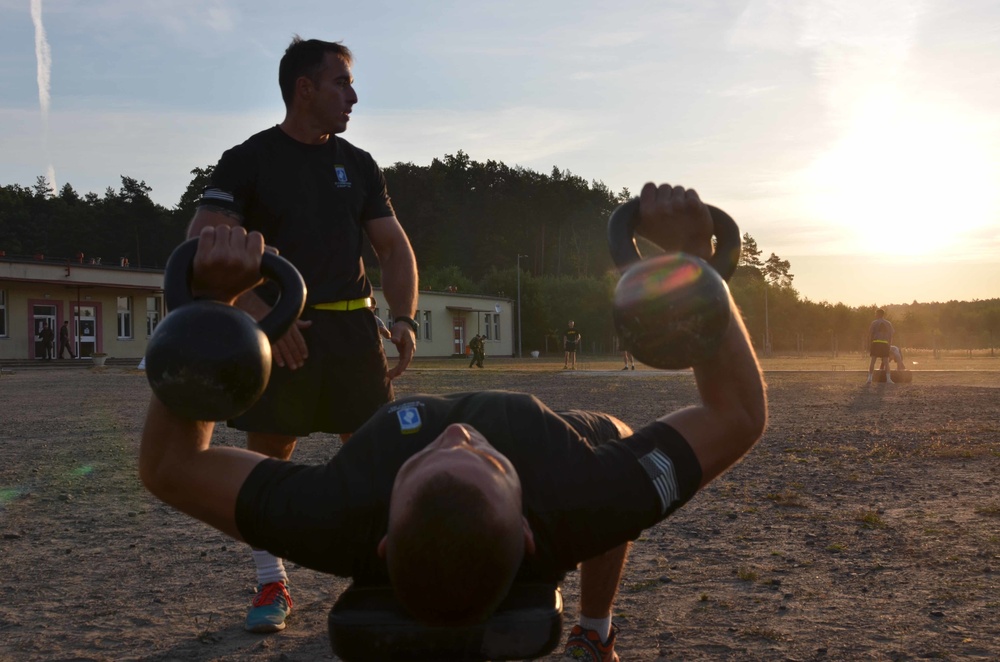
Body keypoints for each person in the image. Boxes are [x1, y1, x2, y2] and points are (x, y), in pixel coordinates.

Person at [140, 184, 768, 661]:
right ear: (528, 532)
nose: (460, 433)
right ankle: (594, 632)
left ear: (382, 537)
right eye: (486, 459)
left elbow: (172, 467)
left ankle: (588, 619)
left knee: (615, 490)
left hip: (504, 475)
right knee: (619, 467)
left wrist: (209, 304)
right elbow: (736, 413)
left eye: (426, 459)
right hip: (558, 449)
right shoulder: (578, 496)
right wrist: (692, 266)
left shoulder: (339, 514)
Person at [185, 37, 419, 633]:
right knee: (270, 457)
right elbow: (202, 240)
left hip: (353, 330)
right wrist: (267, 312)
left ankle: (382, 574)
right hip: (284, 330)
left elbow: (394, 247)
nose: (353, 95)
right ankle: (272, 581)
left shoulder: (359, 163)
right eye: (341, 82)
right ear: (304, 88)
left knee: (377, 455)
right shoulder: (248, 159)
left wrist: (404, 317)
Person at [866, 309, 894, 384]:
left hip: (876, 343)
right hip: (885, 344)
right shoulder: (888, 323)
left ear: (878, 314)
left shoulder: (874, 323)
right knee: (886, 362)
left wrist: (869, 344)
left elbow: (870, 334)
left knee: (873, 361)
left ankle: (869, 378)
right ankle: (888, 379)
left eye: (876, 313)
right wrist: (890, 345)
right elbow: (891, 336)